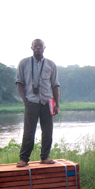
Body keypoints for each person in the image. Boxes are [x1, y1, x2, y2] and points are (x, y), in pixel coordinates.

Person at [15, 39, 60, 167]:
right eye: (36, 46)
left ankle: (45, 157)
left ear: (44, 48)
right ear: (32, 48)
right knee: (29, 131)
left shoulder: (51, 64)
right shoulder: (24, 63)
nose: (38, 48)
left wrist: (57, 105)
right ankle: (24, 159)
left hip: (47, 101)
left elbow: (55, 85)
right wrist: (25, 100)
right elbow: (19, 83)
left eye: (40, 46)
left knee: (48, 131)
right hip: (31, 101)